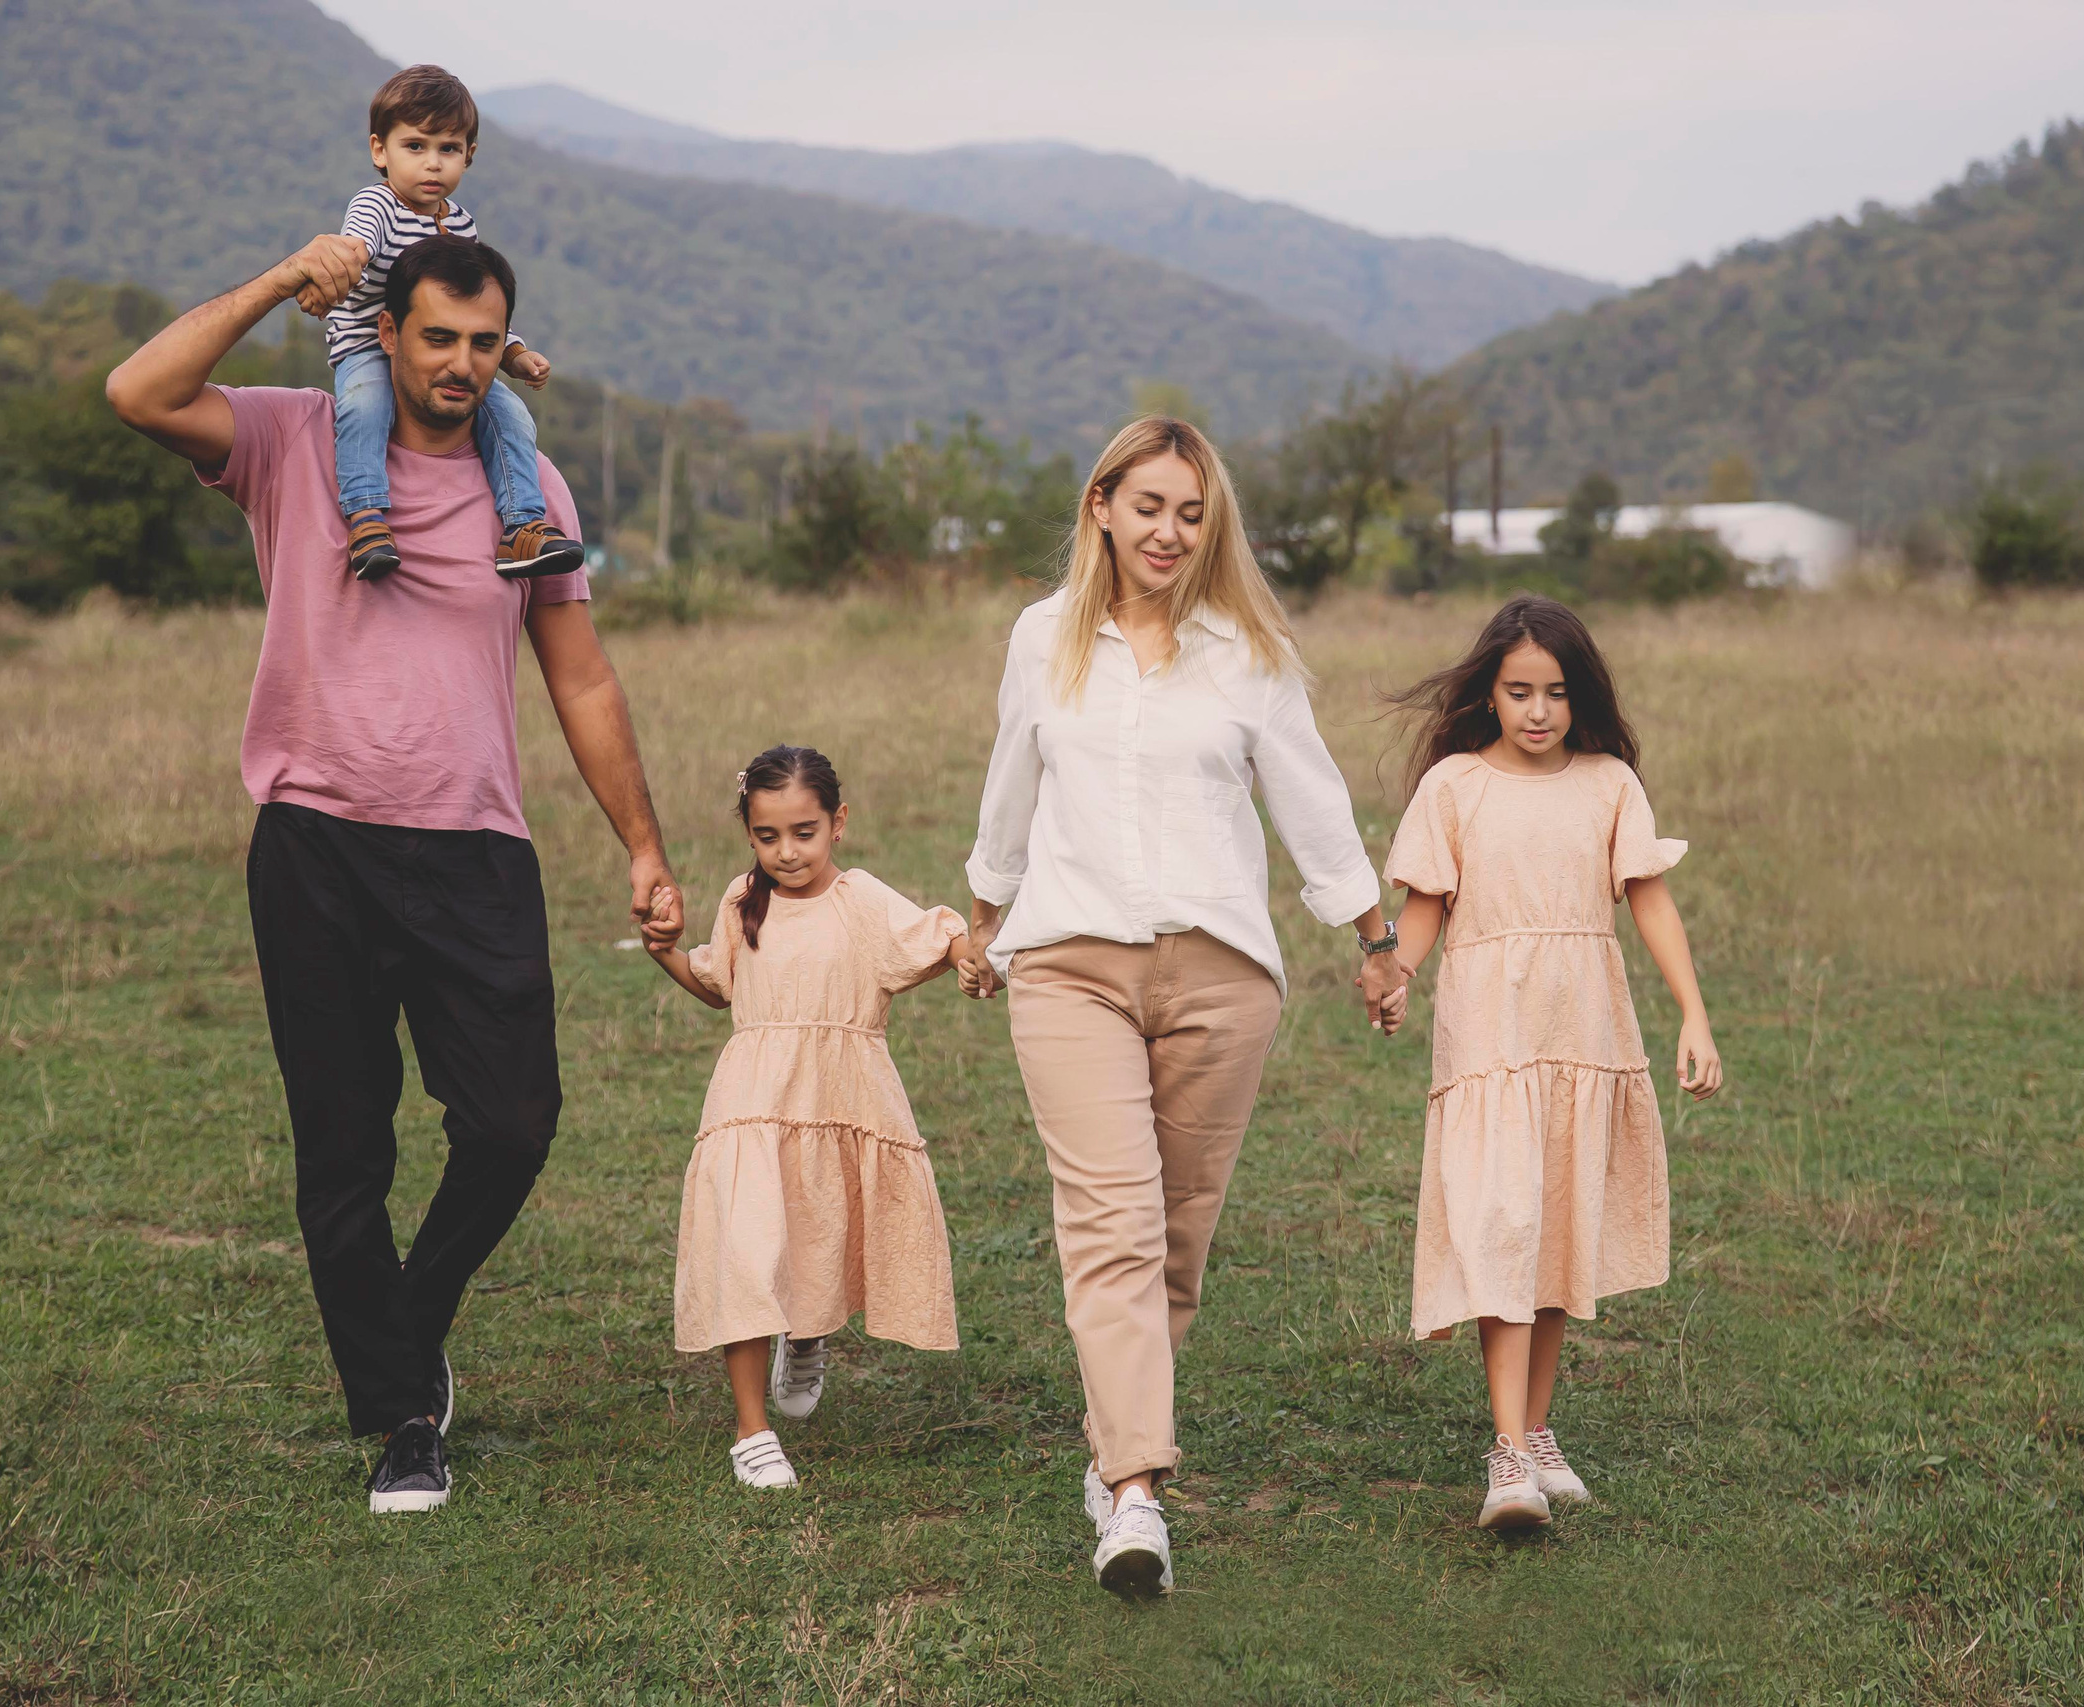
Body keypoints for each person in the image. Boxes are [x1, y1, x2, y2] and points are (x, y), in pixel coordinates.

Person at [104, 229, 682, 1515]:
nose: (461, 364)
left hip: (476, 846)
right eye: (437, 338)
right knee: (343, 1150)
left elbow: (578, 676)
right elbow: (137, 392)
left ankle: (407, 1328)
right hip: (316, 843)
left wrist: (641, 842)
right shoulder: (296, 441)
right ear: (389, 333)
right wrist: (272, 284)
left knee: (512, 1122)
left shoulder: (530, 492)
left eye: (484, 343)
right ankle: (404, 1418)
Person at [954, 417, 1406, 1599]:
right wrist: (984, 915)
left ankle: (1114, 1448)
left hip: (1221, 978)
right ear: (1101, 505)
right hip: (1069, 969)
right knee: (1111, 1222)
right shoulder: (1042, 638)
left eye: (1190, 513)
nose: (1168, 531)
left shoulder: (1246, 649)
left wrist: (1374, 938)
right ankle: (1138, 1496)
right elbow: (1012, 782)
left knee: (1178, 1240)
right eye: (1147, 505)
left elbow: (1311, 800)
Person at [1376, 594, 1722, 1532]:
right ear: (1489, 691)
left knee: (1557, 1230)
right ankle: (1506, 1459)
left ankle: (1535, 1433)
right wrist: (1394, 972)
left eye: (1557, 693)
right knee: (1502, 1223)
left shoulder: (1609, 783)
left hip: (1584, 1033)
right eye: (1520, 691)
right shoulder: (1454, 786)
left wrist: (1693, 1014)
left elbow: (1649, 901)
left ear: (1581, 698)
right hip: (1491, 1040)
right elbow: (1424, 909)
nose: (1538, 711)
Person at [645, 746, 968, 1490]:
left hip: (841, 1095)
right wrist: (663, 951)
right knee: (749, 1249)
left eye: (804, 832)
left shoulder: (859, 899)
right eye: (767, 836)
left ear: (837, 822)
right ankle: (751, 1431)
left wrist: (968, 952)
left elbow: (931, 933)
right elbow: (716, 983)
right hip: (753, 1103)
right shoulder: (740, 901)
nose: (786, 851)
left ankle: (810, 1333)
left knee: (821, 1228)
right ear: (748, 831)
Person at [300, 64, 581, 583]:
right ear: (379, 151)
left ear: (468, 156)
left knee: (511, 415)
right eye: (416, 147)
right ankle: (365, 518)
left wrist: (513, 353)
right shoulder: (377, 204)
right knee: (364, 408)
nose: (432, 164)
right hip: (366, 345)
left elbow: (471, 303)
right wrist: (331, 277)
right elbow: (356, 246)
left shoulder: (460, 223)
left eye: (448, 149)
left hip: (448, 353)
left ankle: (523, 526)